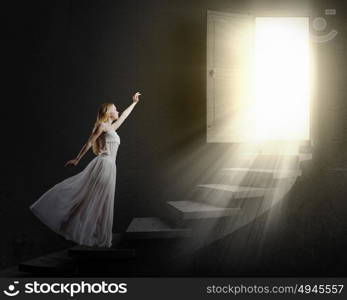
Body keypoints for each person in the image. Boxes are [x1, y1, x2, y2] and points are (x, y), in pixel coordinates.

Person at [29, 92, 141, 248]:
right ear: (108, 112)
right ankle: (69, 223)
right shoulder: (102, 126)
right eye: (115, 109)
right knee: (93, 197)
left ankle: (95, 233)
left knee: (101, 200)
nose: (117, 111)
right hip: (103, 165)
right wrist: (77, 159)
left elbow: (124, 116)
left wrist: (134, 103)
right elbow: (89, 143)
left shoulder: (112, 128)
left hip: (110, 166)